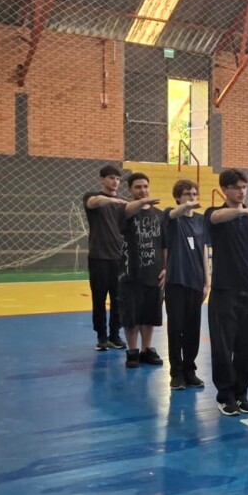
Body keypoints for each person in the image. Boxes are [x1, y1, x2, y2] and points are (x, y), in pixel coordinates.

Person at [205, 170, 248, 416]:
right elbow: (216, 217)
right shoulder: (215, 214)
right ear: (224, 190)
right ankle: (225, 395)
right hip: (224, 290)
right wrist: (241, 211)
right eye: (236, 187)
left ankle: (241, 394)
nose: (242, 191)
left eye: (244, 187)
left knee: (247, 347)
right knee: (223, 346)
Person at [82, 165, 150, 351]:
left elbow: (132, 210)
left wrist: (144, 201)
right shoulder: (92, 197)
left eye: (118, 179)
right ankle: (101, 336)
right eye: (111, 178)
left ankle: (115, 335)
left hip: (119, 258)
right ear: (102, 179)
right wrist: (114, 200)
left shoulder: (123, 204)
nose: (115, 181)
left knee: (118, 299)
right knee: (99, 298)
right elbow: (94, 202)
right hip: (99, 257)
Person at [162, 179, 210, 390]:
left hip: (195, 282)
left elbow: (203, 250)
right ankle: (176, 373)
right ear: (178, 198)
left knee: (192, 329)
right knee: (176, 328)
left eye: (194, 193)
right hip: (176, 281)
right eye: (187, 194)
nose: (192, 197)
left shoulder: (200, 221)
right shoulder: (171, 216)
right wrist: (186, 207)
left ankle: (190, 370)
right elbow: (173, 214)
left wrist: (207, 281)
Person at [119, 173, 166, 369]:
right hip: (130, 273)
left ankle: (147, 349)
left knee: (150, 314)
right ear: (130, 190)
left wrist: (165, 268)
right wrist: (142, 202)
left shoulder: (159, 215)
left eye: (145, 186)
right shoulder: (125, 211)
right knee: (132, 316)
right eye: (137, 187)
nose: (143, 190)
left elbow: (164, 245)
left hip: (154, 273)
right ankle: (132, 351)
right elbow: (127, 211)